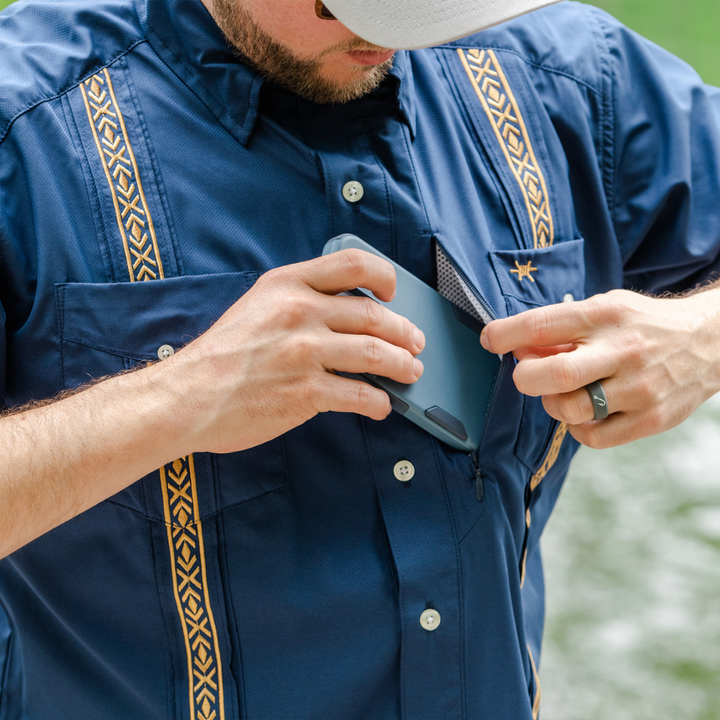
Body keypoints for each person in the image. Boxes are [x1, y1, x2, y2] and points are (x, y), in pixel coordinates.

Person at [0, 0, 719, 716]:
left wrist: (698, 337)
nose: (389, 31)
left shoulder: (565, 73)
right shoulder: (23, 127)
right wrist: (176, 401)